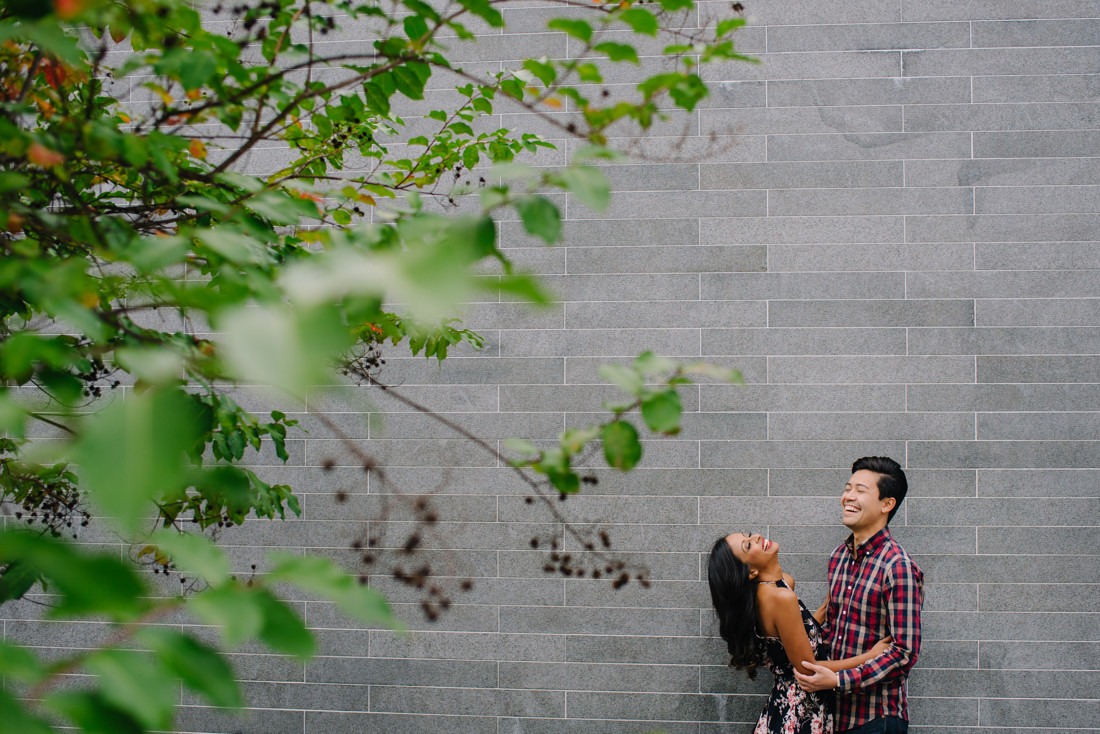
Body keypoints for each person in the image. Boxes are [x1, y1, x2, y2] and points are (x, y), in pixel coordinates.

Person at [708, 532, 891, 734]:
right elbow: (809, 670)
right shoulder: (779, 597)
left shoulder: (781, 585)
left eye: (749, 535)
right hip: (798, 715)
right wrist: (871, 656)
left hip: (790, 708)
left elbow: (796, 631)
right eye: (748, 546)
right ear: (750, 572)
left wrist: (829, 604)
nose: (757, 538)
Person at [794, 456, 924, 734]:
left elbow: (904, 654)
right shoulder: (838, 557)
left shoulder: (898, 567)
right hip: (833, 716)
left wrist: (839, 679)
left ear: (887, 504)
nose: (848, 497)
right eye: (847, 488)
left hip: (876, 719)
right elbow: (833, 629)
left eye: (860, 491)